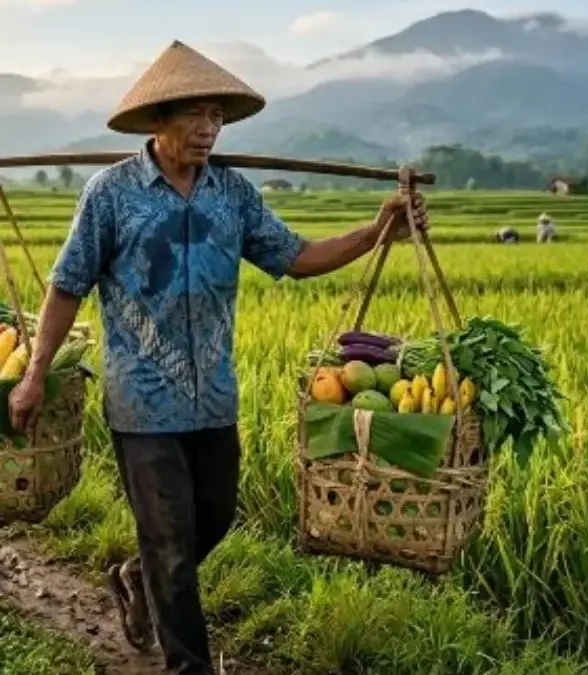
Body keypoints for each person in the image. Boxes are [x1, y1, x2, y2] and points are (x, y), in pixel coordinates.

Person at [6, 41, 428, 675]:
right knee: (171, 543)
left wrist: (375, 232)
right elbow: (67, 285)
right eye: (194, 115)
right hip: (142, 400)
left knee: (215, 519)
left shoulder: (232, 194)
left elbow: (297, 257)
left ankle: (137, 581)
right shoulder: (111, 194)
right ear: (158, 120)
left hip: (213, 399)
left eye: (216, 117)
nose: (208, 129)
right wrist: (35, 372)